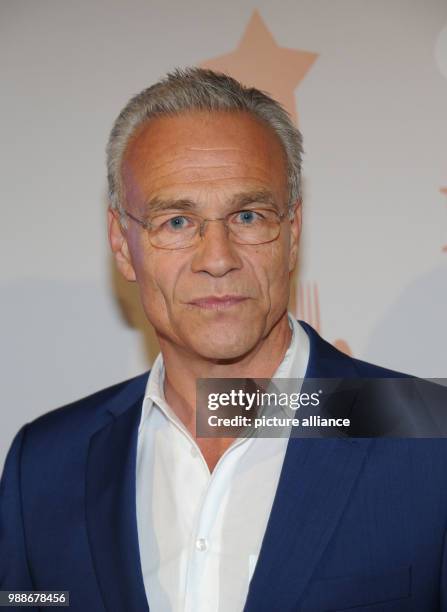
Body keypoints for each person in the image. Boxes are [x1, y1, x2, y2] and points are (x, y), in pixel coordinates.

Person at [1, 68, 446, 612]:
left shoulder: (428, 439)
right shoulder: (44, 467)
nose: (217, 258)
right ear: (122, 244)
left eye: (248, 215)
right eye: (177, 222)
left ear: (292, 232)